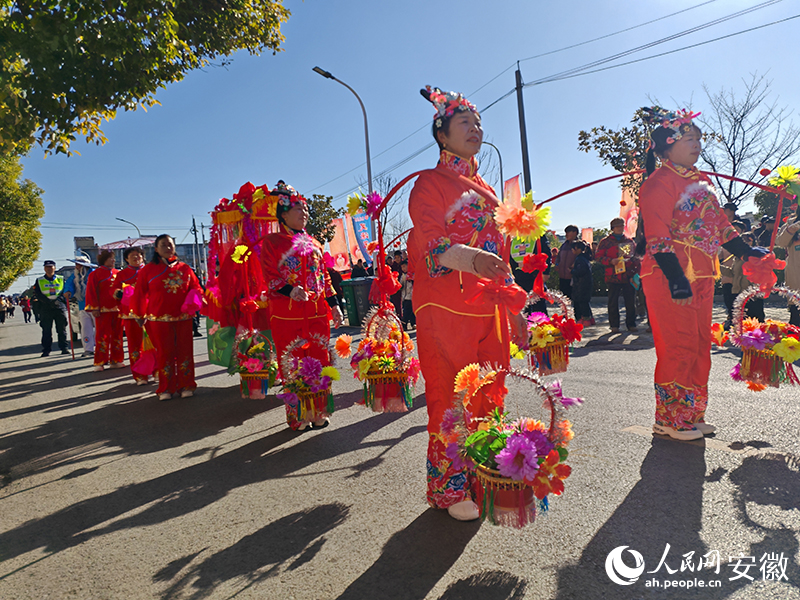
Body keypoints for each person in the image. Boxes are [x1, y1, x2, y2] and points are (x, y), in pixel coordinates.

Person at [408, 86, 527, 522]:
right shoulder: (429, 184)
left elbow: (503, 259)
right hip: (446, 305)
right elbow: (429, 243)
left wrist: (516, 314)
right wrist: (471, 259)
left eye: (478, 123)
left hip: (490, 308)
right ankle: (449, 486)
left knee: (492, 393)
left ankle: (482, 474)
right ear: (441, 134)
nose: (476, 129)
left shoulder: (488, 190)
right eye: (465, 123)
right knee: (451, 393)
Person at [638, 106, 769, 441]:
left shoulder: (701, 181)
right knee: (677, 345)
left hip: (703, 274)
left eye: (698, 138)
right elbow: (656, 235)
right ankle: (669, 419)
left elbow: (721, 226)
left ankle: (692, 415)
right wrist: (675, 276)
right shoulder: (658, 183)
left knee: (699, 345)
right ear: (666, 146)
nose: (697, 144)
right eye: (689, 138)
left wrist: (746, 250)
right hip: (669, 275)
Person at [260, 181, 344, 430]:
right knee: (293, 364)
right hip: (288, 316)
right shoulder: (273, 242)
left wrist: (335, 304)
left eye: (306, 210)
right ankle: (298, 415)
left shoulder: (315, 243)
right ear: (283, 214)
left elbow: (325, 277)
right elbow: (270, 275)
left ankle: (319, 411)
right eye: (299, 209)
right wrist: (290, 290)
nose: (304, 213)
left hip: (317, 313)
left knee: (319, 362)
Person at [131, 234, 204, 400]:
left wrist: (195, 299)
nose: (167, 247)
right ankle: (166, 387)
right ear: (156, 249)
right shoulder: (147, 271)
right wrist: (138, 313)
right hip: (159, 320)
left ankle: (187, 384)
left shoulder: (185, 268)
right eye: (163, 245)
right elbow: (139, 293)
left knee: (185, 352)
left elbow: (197, 287)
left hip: (184, 318)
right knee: (165, 354)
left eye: (170, 244)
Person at [596, 218, 639, 332]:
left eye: (621, 225)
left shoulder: (629, 241)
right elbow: (598, 257)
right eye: (617, 226)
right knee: (613, 302)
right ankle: (614, 325)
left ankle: (631, 324)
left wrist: (634, 269)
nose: (620, 228)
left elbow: (635, 257)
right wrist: (610, 261)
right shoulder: (605, 242)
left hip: (628, 276)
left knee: (630, 301)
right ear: (612, 228)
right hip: (612, 276)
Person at [112, 247, 148, 384]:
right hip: (130, 315)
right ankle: (140, 375)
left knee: (155, 344)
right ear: (126, 259)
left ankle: (157, 371)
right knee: (135, 346)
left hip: (150, 314)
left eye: (138, 255)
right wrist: (118, 293)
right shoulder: (122, 274)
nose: (136, 258)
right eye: (132, 256)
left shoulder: (150, 271)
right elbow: (114, 290)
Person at [85, 250, 124, 371]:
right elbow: (91, 291)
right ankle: (100, 361)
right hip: (102, 310)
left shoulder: (119, 273)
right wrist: (94, 308)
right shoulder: (95, 274)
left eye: (113, 258)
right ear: (103, 260)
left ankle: (116, 360)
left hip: (117, 310)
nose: (113, 260)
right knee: (102, 336)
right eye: (110, 258)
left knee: (117, 335)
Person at [32, 260, 70, 356]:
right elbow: (38, 294)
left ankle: (64, 347)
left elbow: (64, 291)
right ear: (44, 269)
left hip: (59, 306)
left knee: (62, 329)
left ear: (54, 268)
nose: (49, 269)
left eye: (51, 267)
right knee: (46, 330)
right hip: (45, 307)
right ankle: (46, 349)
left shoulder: (61, 279)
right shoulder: (39, 280)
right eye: (47, 267)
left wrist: (59, 300)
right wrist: (47, 301)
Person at [64, 256, 96, 356]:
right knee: (85, 328)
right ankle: (88, 349)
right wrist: (68, 291)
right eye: (76, 264)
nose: (76, 266)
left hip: (95, 305)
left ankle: (100, 347)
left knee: (99, 328)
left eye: (79, 264)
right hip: (82, 305)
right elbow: (69, 284)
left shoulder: (94, 273)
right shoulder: (75, 276)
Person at [731, 232, 766, 322]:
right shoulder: (738, 257)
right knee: (741, 320)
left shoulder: (757, 255)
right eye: (743, 241)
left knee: (756, 319)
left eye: (747, 240)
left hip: (753, 292)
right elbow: (733, 273)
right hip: (739, 292)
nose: (745, 243)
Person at [775, 206, 800, 326]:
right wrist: (792, 229)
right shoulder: (790, 222)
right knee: (795, 310)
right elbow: (780, 242)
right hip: (795, 270)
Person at [570, 240, 594, 325]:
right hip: (587, 283)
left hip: (581, 285)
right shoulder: (585, 257)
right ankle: (590, 318)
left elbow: (581, 271)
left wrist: (572, 271)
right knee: (585, 302)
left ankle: (585, 319)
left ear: (576, 248)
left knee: (581, 302)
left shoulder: (579, 259)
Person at [556, 225, 579, 298]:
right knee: (563, 300)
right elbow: (558, 257)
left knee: (574, 299)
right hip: (562, 276)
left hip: (573, 277)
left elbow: (583, 259)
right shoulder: (563, 245)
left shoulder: (579, 245)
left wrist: (573, 267)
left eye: (568, 232)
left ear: (575, 233)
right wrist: (557, 264)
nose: (566, 235)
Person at [399, 261, 415, 330]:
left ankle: (413, 323)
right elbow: (400, 285)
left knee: (412, 311)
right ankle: (404, 324)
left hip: (412, 295)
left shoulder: (412, 274)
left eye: (404, 266)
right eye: (402, 267)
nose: (403, 268)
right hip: (405, 297)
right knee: (406, 311)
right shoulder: (403, 276)